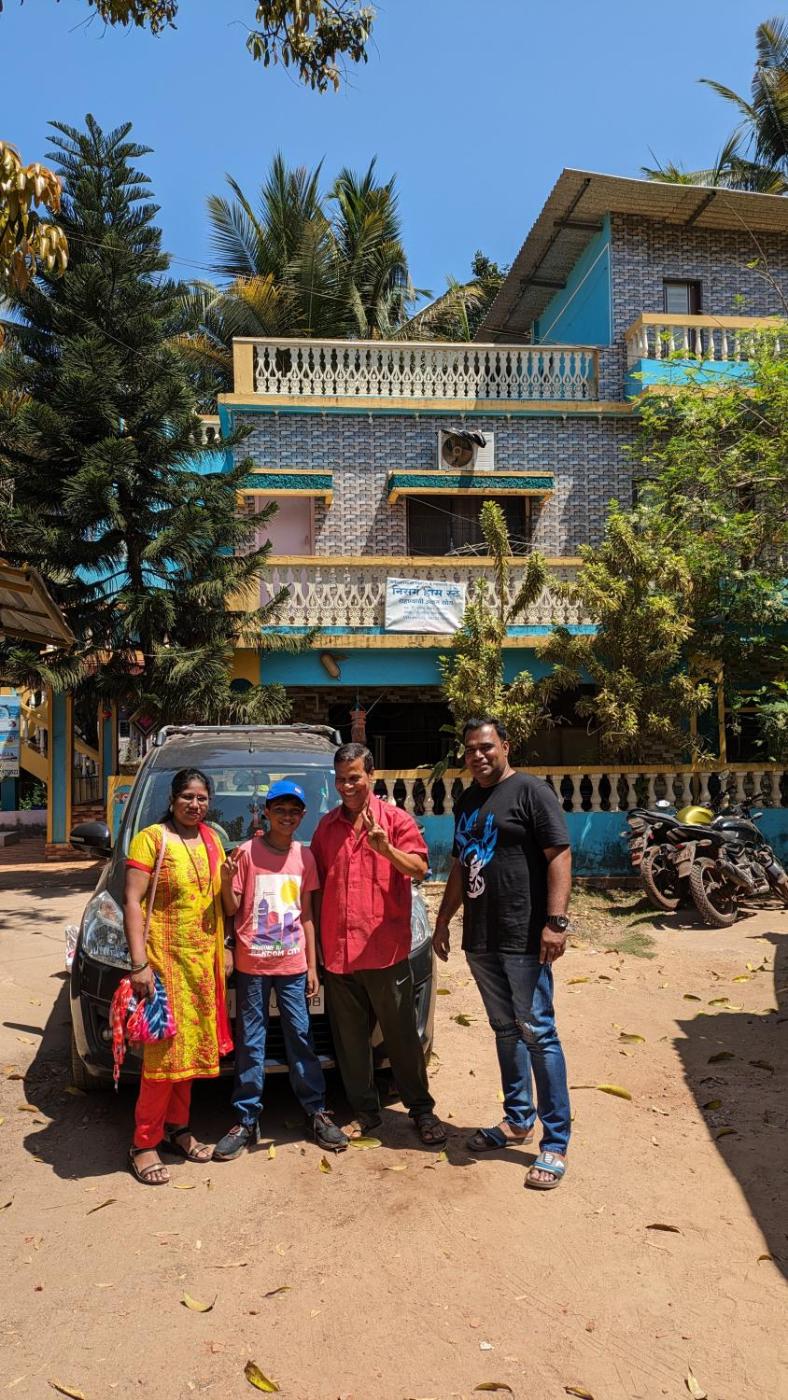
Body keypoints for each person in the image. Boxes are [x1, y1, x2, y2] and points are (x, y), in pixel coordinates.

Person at [433, 717, 572, 1189]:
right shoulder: (467, 801)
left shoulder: (532, 791)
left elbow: (559, 855)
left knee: (538, 1032)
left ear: (505, 747)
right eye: (471, 749)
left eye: (486, 746)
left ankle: (555, 1142)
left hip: (524, 936)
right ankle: (517, 1120)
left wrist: (555, 922)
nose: (478, 755)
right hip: (482, 937)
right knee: (505, 1030)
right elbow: (460, 863)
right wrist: (444, 919)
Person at [310, 743, 446, 1146]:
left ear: (371, 775)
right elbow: (316, 888)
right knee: (350, 1043)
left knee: (401, 1038)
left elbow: (419, 868)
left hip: (385, 952)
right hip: (339, 955)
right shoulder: (326, 828)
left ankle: (421, 1110)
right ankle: (366, 1114)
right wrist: (317, 948)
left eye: (354, 777)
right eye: (340, 779)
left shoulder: (396, 820)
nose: (347, 786)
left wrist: (385, 848)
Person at [213, 780, 348, 1159]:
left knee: (301, 1037)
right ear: (266, 813)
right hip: (252, 964)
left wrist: (312, 965)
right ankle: (246, 1118)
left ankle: (315, 1110)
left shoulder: (305, 858)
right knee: (251, 1041)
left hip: (292, 965)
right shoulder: (245, 853)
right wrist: (226, 881)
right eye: (280, 810)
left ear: (302, 816)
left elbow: (306, 915)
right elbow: (230, 908)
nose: (287, 817)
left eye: (294, 811)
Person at [124, 768, 235, 1186]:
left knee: (187, 1055)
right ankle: (143, 1143)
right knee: (162, 1057)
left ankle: (177, 1129)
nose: (195, 804)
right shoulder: (151, 839)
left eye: (202, 797)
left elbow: (223, 903)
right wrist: (140, 964)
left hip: (202, 967)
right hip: (162, 965)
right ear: (172, 800)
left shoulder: (213, 840)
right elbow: (132, 901)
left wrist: (226, 945)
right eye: (188, 796)